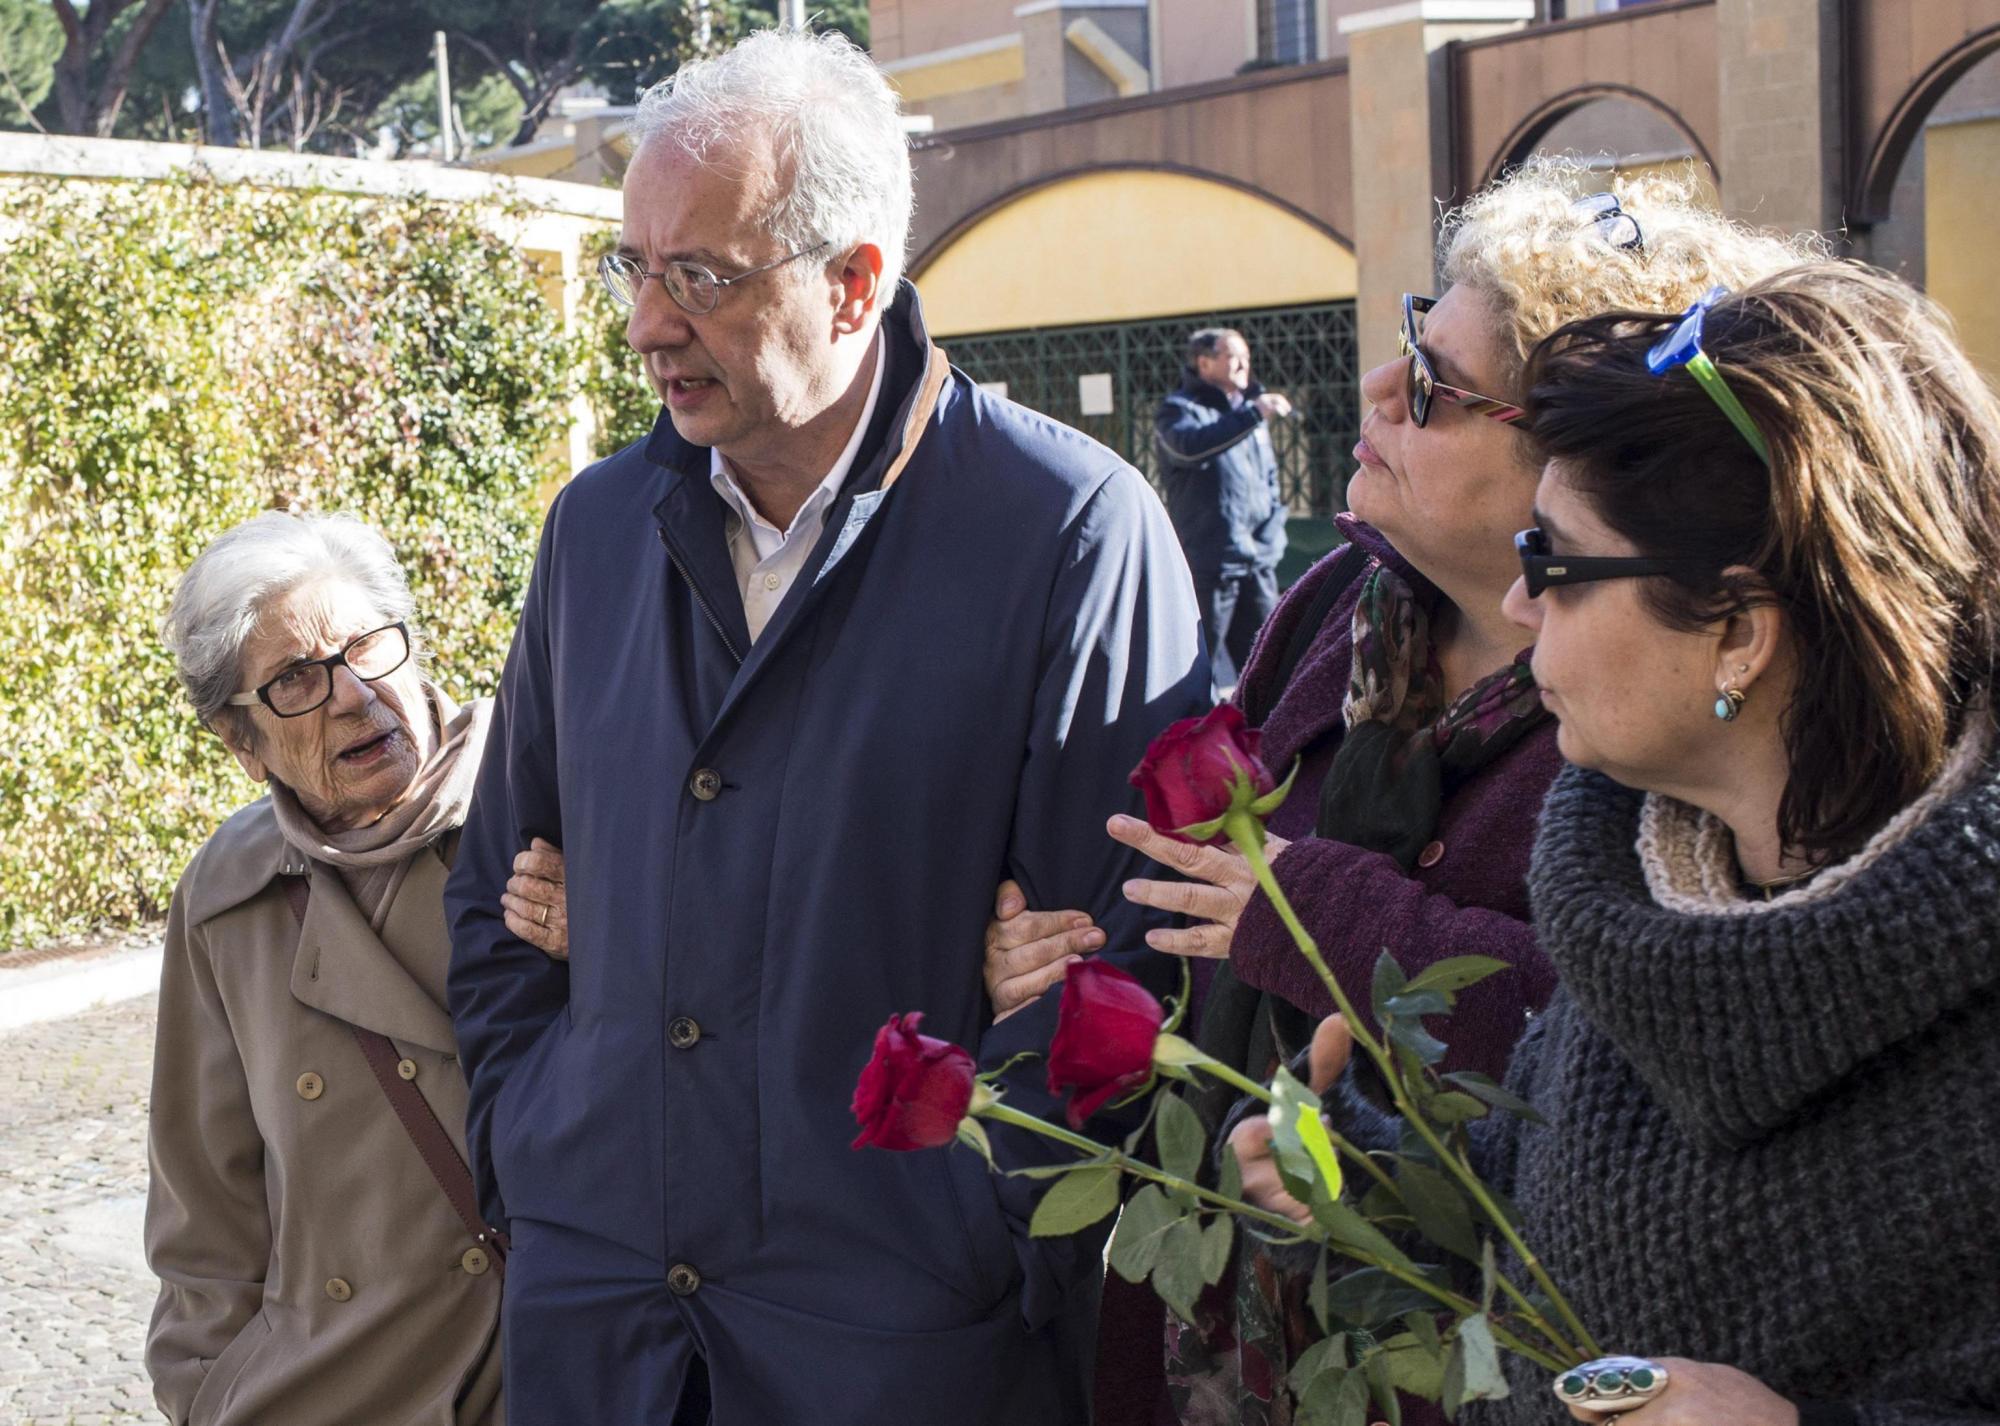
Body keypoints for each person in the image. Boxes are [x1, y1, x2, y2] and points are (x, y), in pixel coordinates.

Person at [442, 28, 1206, 1426]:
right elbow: (495, 895)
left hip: (902, 1353)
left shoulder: (1070, 531)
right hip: (603, 1340)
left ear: (857, 284)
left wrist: (965, 1232)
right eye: (636, 266)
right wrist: (540, 1155)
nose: (645, 325)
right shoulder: (595, 530)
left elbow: (1128, 967)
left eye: (702, 277)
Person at [981, 164, 1813, 1426]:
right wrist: (1073, 957)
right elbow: (1208, 897)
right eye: (1406, 342)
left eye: (1430, 389)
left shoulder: (1665, 701)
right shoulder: (1338, 608)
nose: (1377, 390)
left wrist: (1335, 924)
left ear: (1567, 453)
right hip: (1230, 1303)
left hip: (1486, 1344)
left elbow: (1667, 1042)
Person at [1241, 261, 2000, 1425]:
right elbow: (1544, 1235)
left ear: (1737, 634)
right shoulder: (1632, 894)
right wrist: (1366, 1188)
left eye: (1553, 562)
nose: (1517, 606)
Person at [144, 511, 560, 1424]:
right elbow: (204, 1208)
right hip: (325, 1390)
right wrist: (209, 1392)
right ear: (239, 739)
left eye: (368, 647)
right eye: (295, 680)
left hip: (541, 1378)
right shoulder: (229, 896)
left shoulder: (551, 806)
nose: (351, 693)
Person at [1155, 328, 1291, 694]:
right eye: (1233, 357)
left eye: (1246, 356)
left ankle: (1265, 747)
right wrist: (1251, 416)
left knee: (1269, 668)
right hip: (1210, 564)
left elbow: (1268, 479)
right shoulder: (1178, 411)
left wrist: (1272, 535)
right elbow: (1188, 449)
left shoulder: (1247, 412)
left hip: (1256, 562)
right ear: (1204, 362)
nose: (1245, 365)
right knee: (1193, 671)